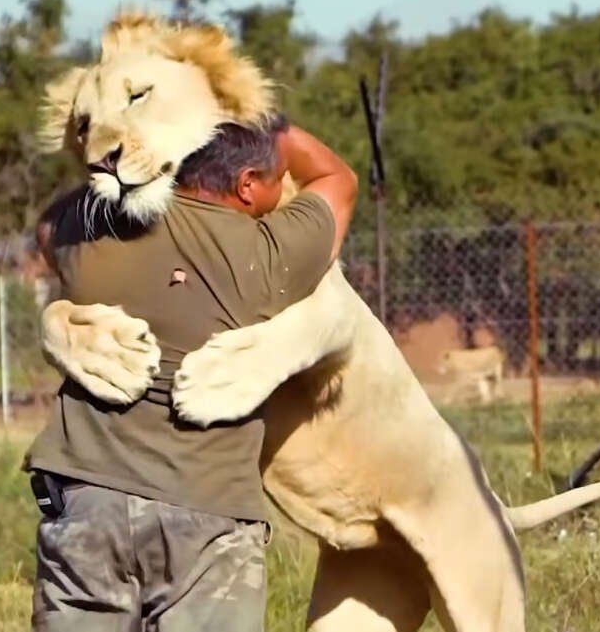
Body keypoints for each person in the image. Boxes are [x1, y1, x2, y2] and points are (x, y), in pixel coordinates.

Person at [24, 116, 358, 632]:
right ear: (248, 184)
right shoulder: (268, 256)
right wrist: (274, 125)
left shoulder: (97, 235)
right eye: (276, 180)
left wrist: (134, 154)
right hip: (208, 514)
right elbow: (338, 179)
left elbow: (47, 228)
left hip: (88, 502)